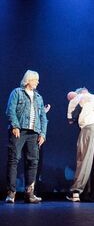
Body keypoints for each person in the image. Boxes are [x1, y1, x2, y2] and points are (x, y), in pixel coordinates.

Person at [5, 70, 48, 203]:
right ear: (28, 80)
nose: (38, 82)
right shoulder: (17, 92)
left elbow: (43, 117)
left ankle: (29, 194)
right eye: (36, 80)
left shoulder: (38, 97)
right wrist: (15, 126)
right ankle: (11, 193)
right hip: (19, 131)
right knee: (14, 159)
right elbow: (10, 110)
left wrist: (43, 134)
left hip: (34, 133)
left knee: (33, 162)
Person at [66, 89, 94, 202]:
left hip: (89, 128)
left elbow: (70, 118)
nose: (70, 98)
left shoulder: (77, 97)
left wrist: (72, 117)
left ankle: (76, 192)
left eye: (70, 97)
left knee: (84, 159)